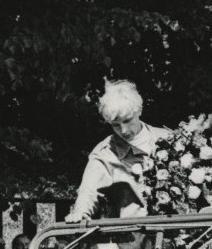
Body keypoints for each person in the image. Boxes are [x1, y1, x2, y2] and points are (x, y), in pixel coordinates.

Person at [66, 80, 170, 222]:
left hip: (179, 232)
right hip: (135, 235)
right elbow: (88, 191)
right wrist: (80, 213)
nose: (124, 131)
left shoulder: (169, 139)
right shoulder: (105, 153)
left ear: (139, 110)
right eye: (116, 125)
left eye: (127, 121)